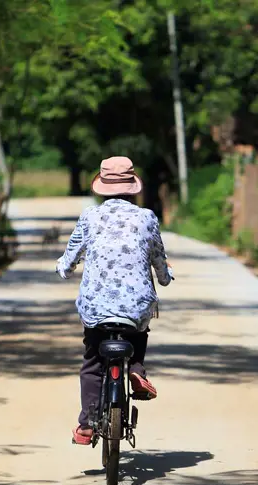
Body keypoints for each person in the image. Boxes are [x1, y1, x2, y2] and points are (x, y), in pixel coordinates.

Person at [56, 155, 174, 446]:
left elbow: (71, 254)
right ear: (132, 186)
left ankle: (86, 425)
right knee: (139, 328)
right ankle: (135, 368)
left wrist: (64, 267)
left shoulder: (90, 216)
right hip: (135, 307)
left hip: (96, 307)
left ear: (101, 186)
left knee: (93, 362)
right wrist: (165, 276)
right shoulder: (147, 218)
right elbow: (159, 260)